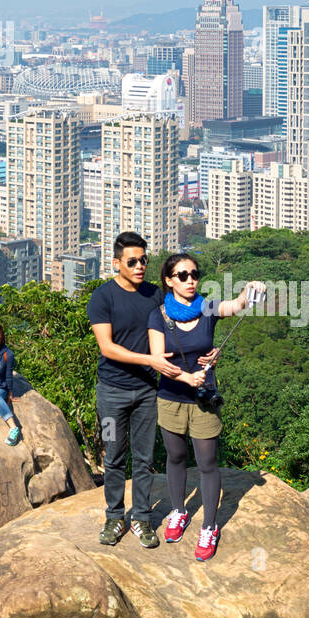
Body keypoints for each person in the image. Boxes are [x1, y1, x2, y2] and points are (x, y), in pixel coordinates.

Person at [148, 254, 266, 562]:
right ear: (169, 280)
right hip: (172, 396)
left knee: (207, 463)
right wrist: (187, 377)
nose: (190, 281)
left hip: (203, 397)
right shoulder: (158, 315)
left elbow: (236, 306)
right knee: (175, 456)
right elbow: (158, 360)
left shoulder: (207, 307)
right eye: (182, 275)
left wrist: (249, 290)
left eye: (194, 274)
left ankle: (209, 526)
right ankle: (179, 511)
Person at [88, 231, 183, 549]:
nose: (141, 265)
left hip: (146, 393)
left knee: (143, 459)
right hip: (112, 393)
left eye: (144, 260)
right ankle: (115, 517)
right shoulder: (103, 297)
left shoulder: (155, 295)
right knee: (114, 457)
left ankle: (142, 518)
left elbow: (183, 318)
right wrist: (150, 360)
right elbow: (108, 347)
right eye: (133, 261)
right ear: (117, 264)